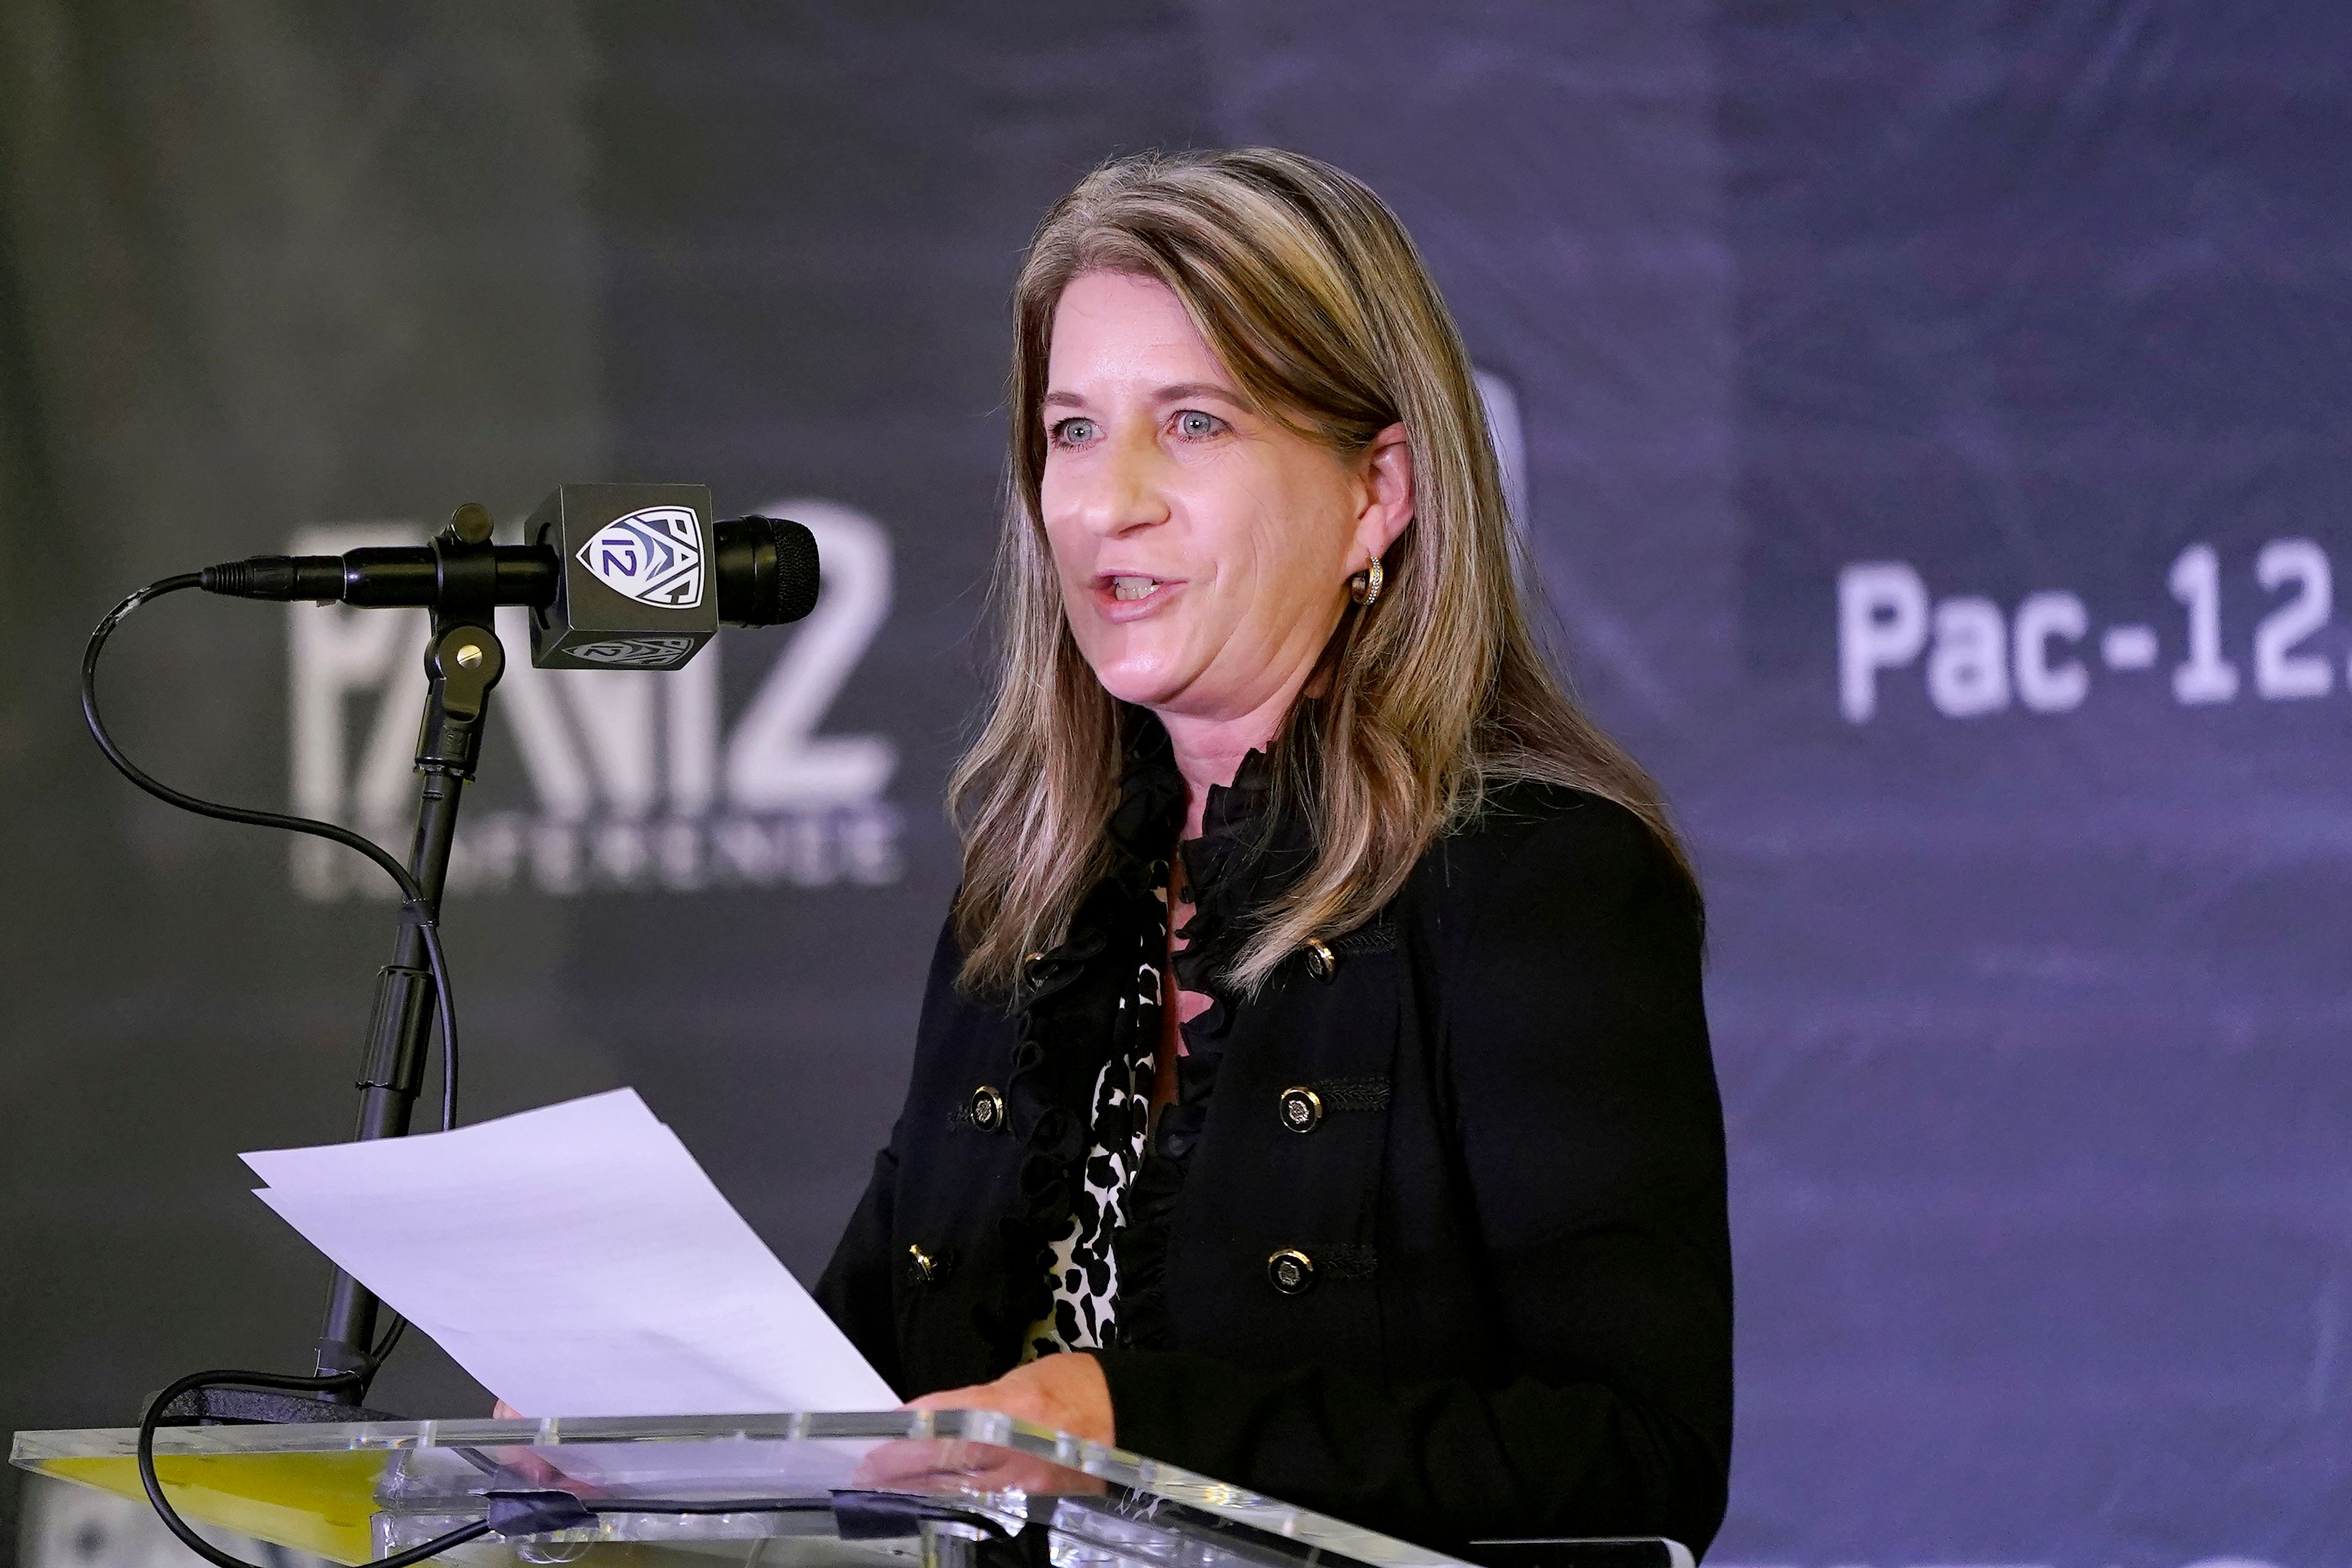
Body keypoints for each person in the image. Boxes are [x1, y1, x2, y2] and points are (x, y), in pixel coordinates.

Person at [815, 147, 1731, 1560]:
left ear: (1379, 491)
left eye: (1192, 423)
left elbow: (1633, 1456)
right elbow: (884, 1390)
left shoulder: (1538, 879)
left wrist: (1138, 1431)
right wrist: (651, 1433)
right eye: (1070, 430)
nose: (1108, 500)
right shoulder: (1028, 903)